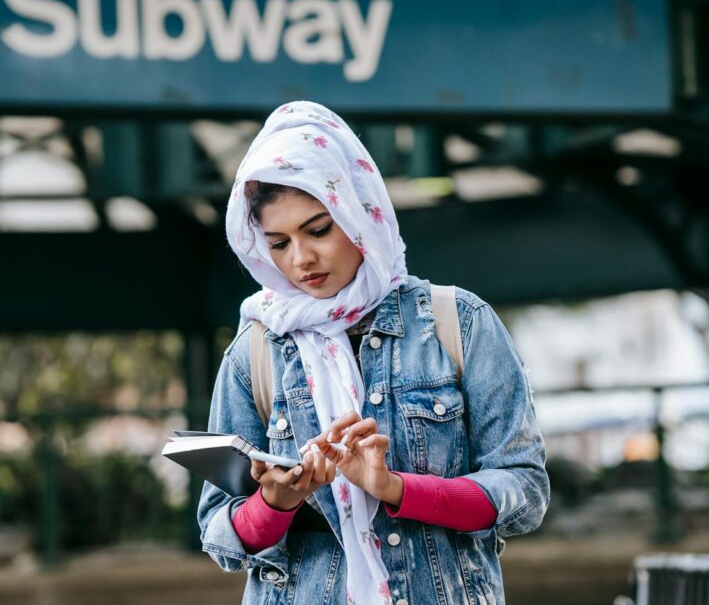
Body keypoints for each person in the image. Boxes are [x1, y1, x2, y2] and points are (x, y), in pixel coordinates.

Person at [197, 101, 550, 605]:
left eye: (318, 229)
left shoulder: (458, 323)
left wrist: (395, 488)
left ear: (359, 212)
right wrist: (276, 501)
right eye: (278, 242)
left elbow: (524, 491)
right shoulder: (254, 352)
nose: (301, 258)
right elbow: (219, 533)